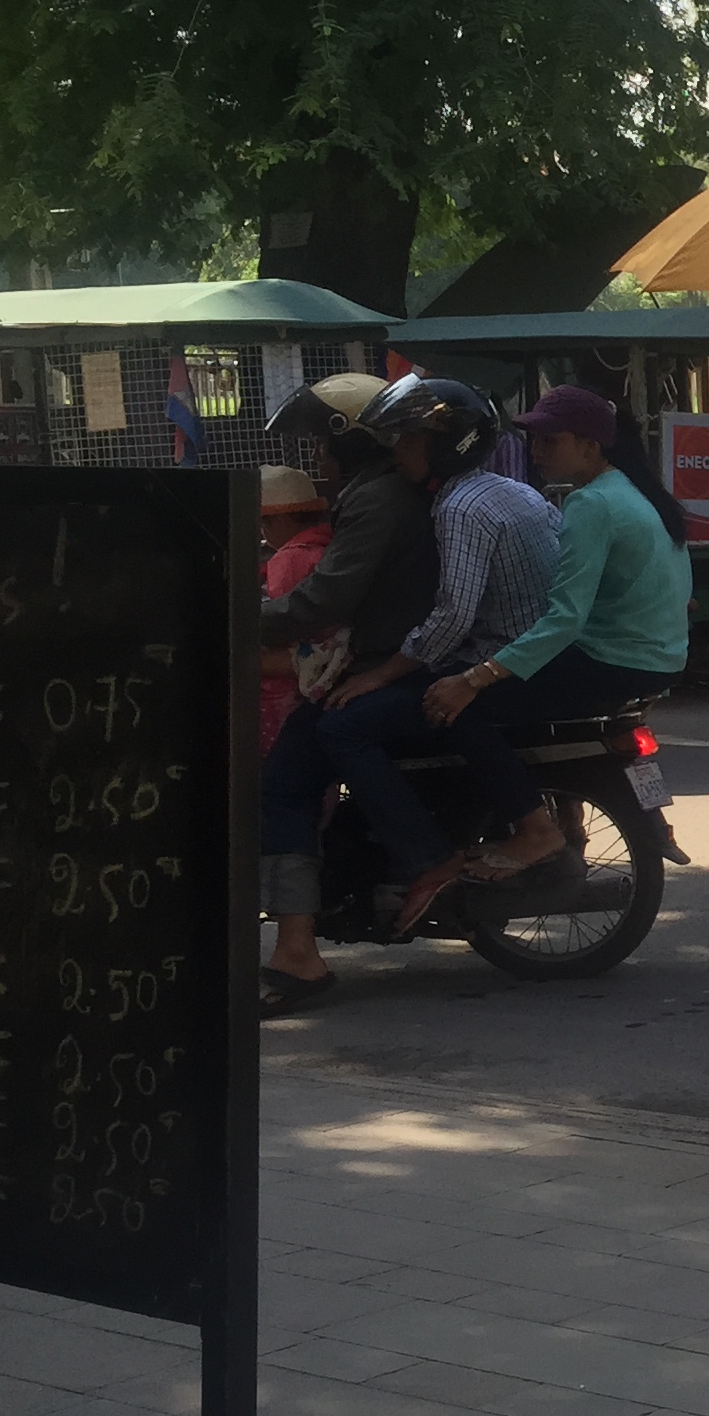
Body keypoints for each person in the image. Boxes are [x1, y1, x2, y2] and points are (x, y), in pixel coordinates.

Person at [409, 384, 691, 912]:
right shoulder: (634, 492)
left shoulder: (592, 504)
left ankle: (535, 830)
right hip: (658, 660)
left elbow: (564, 620)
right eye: (533, 440)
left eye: (550, 441)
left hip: (612, 661)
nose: (537, 452)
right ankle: (563, 821)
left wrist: (473, 678)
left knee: (458, 709)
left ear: (590, 445)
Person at [314, 375, 563, 923]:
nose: (398, 450)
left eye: (410, 440)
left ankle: (430, 857)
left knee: (342, 726)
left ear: (450, 446)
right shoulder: (510, 489)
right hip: (530, 655)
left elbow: (453, 616)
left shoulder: (461, 508)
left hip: (500, 661)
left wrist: (380, 674)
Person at [260, 375, 443, 1013]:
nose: (318, 454)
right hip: (390, 658)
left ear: (350, 438)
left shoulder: (376, 498)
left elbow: (324, 599)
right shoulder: (384, 491)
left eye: (321, 440)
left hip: (387, 664)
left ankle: (299, 951)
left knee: (286, 783)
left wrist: (240, 616)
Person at [255, 466, 333, 752]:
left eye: (265, 523)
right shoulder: (326, 549)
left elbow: (279, 620)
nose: (263, 532)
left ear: (282, 519)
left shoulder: (288, 559)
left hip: (286, 686)